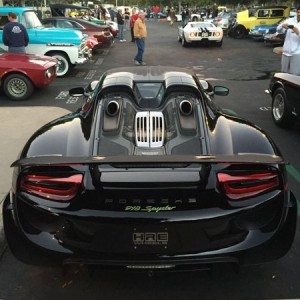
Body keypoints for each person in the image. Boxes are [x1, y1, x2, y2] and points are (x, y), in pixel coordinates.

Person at [276, 6, 300, 75]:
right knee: (284, 73)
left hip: (297, 54)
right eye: (298, 12)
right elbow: (278, 30)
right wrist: (282, 26)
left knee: (294, 75)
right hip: (286, 52)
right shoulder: (289, 20)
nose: (299, 14)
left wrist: (298, 32)